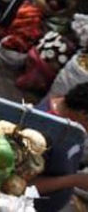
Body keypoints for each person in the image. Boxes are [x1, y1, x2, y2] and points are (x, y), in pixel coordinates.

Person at [31, 82, 88, 212]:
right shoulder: (41, 131)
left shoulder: (74, 126)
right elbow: (22, 187)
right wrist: (74, 180)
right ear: (84, 114)